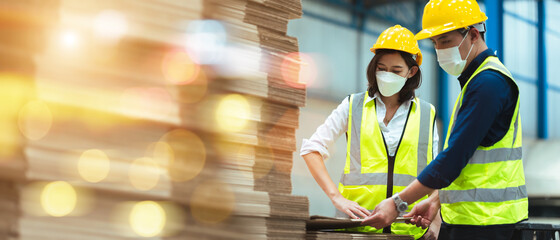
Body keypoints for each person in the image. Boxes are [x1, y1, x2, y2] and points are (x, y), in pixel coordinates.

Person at [361, 1, 528, 240]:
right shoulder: (476, 82)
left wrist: (398, 202)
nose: (439, 50)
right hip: (475, 220)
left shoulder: (488, 84)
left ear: (472, 34)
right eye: (435, 43)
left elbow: (452, 159)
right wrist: (436, 199)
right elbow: (470, 159)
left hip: (487, 224)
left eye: (446, 41)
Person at [300, 25, 440, 240]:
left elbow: (437, 174)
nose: (386, 76)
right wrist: (337, 198)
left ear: (411, 72)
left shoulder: (426, 113)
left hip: (407, 231)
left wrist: (435, 220)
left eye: (396, 71)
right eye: (381, 68)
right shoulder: (352, 106)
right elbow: (311, 149)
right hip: (357, 229)